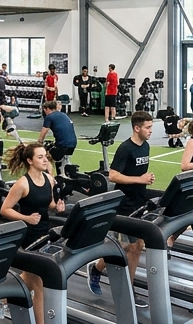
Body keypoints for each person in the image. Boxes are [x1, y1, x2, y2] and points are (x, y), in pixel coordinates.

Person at [0, 142, 64, 324]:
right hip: (29, 238)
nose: (46, 160)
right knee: (40, 287)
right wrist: (25, 217)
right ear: (30, 161)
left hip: (45, 235)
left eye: (46, 157)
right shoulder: (22, 184)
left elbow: (49, 205)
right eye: (41, 157)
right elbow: (4, 209)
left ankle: (3, 299)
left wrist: (57, 207)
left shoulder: (49, 179)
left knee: (31, 278)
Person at [87, 110, 153, 305]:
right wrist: (139, 179)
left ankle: (97, 268)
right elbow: (113, 176)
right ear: (137, 128)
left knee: (132, 247)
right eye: (148, 128)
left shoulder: (146, 146)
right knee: (133, 247)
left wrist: (145, 179)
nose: (150, 131)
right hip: (125, 204)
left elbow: (138, 172)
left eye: (151, 127)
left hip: (140, 201)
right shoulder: (126, 149)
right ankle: (128, 291)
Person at [37, 100, 77, 168]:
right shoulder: (63, 114)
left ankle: (50, 176)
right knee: (63, 158)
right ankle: (65, 171)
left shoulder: (49, 117)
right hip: (73, 143)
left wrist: (39, 142)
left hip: (62, 144)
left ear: (47, 109)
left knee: (47, 157)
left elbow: (44, 130)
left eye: (45, 110)